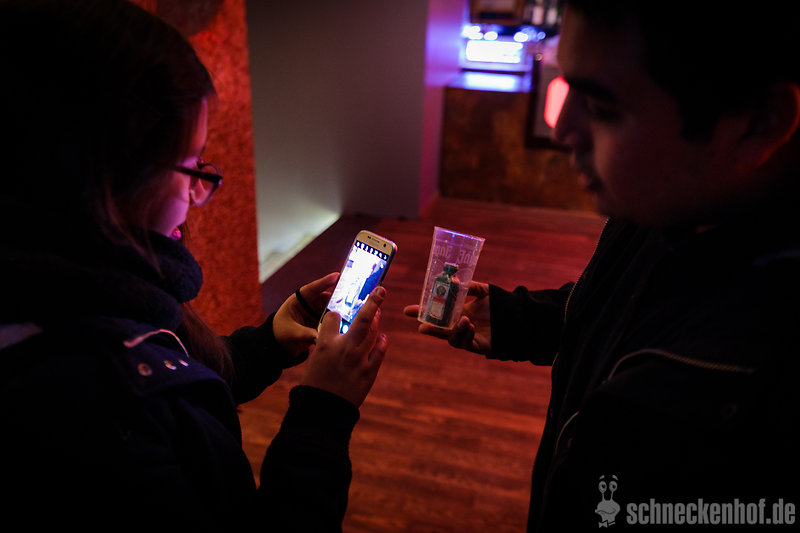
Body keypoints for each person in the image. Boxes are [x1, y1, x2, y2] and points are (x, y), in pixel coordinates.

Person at [406, 0, 800, 530]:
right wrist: (521, 319)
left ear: (758, 123)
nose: (561, 128)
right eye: (568, 87)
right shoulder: (666, 206)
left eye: (603, 106)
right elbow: (633, 307)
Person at [0, 0, 388, 530]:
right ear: (105, 177)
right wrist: (324, 409)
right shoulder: (94, 404)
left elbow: (178, 370)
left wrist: (266, 344)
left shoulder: (92, 294)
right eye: (189, 167)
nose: (196, 195)